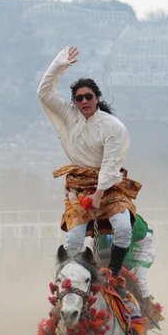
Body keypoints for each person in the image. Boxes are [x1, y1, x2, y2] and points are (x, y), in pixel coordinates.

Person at [38, 45, 142, 300]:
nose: (84, 101)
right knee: (73, 241)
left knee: (123, 228)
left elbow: (111, 164)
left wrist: (98, 194)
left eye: (88, 96)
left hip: (111, 185)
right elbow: (43, 93)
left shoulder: (113, 126)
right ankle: (69, 288)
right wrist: (58, 65)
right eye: (79, 98)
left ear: (97, 98)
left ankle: (114, 276)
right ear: (74, 101)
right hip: (79, 187)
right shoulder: (68, 115)